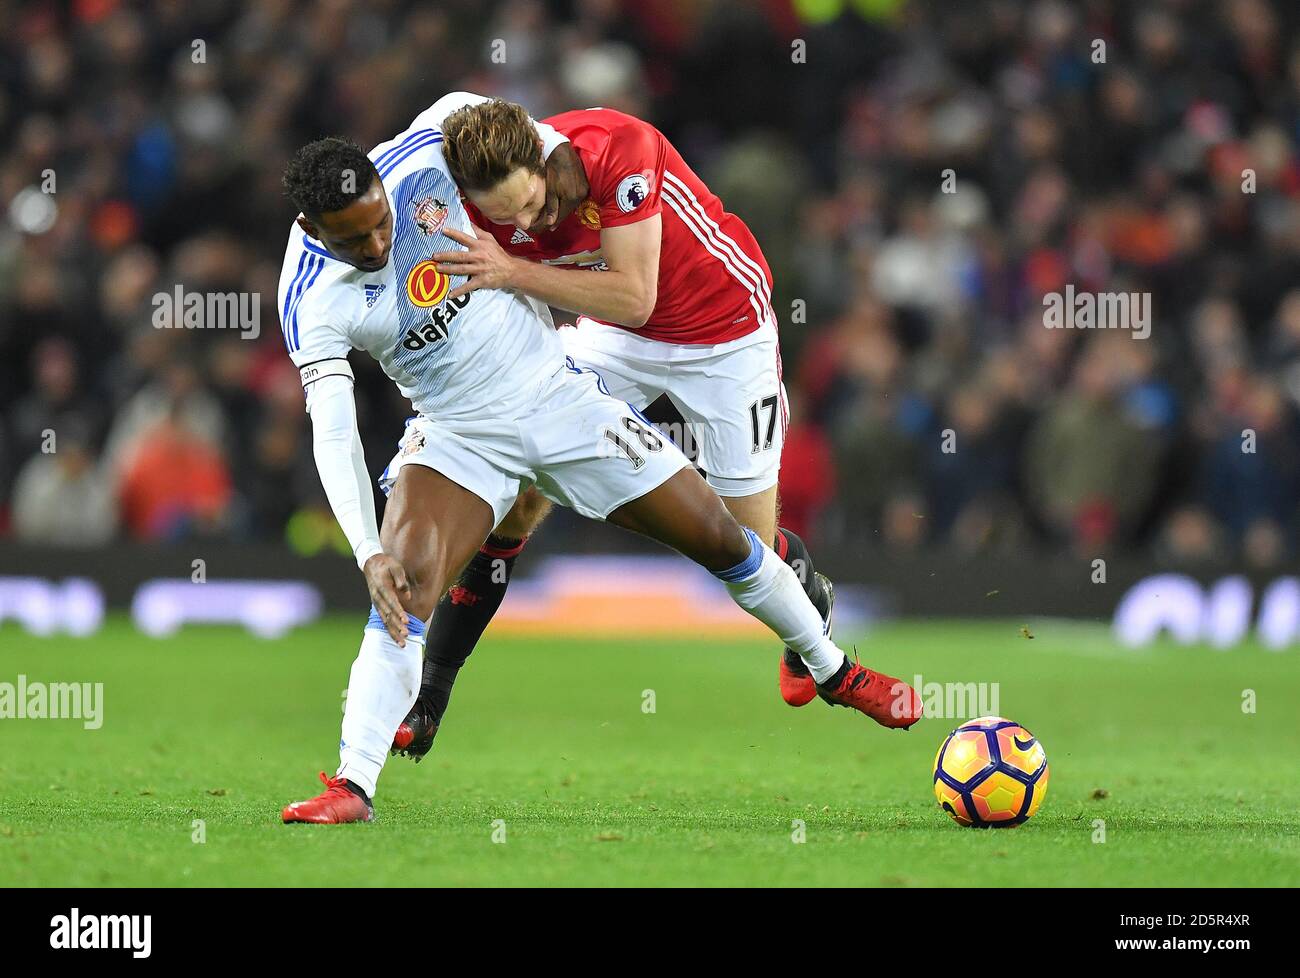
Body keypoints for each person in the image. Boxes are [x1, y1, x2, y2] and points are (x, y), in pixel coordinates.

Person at [275, 101, 920, 824]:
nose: (376, 243)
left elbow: (505, 131)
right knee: (402, 581)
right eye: (354, 238)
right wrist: (364, 550)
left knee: (725, 541)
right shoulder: (309, 302)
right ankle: (354, 782)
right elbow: (332, 435)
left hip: (566, 394)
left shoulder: (432, 147)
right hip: (459, 432)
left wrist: (518, 252)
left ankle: (833, 669)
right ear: (310, 230)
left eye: (381, 222)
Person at [388, 94, 838, 762]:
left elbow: (636, 296)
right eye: (509, 217)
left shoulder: (613, 148)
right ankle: (431, 691)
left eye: (535, 205)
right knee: (519, 495)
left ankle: (802, 580)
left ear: (542, 159)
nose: (530, 222)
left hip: (723, 335)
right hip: (613, 336)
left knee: (748, 549)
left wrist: (512, 270)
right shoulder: (471, 195)